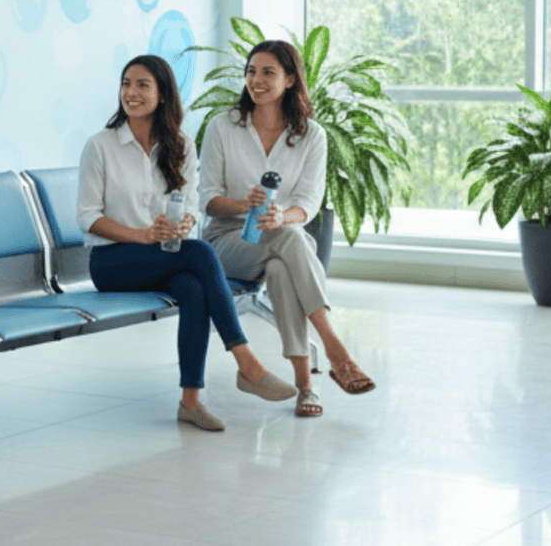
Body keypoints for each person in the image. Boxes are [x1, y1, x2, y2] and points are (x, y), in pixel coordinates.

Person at [79, 55, 298, 431]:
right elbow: (87, 217)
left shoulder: (179, 144)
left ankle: (190, 402)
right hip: (111, 262)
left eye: (142, 85)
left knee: (194, 287)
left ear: (163, 95)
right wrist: (143, 235)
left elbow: (193, 207)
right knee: (200, 252)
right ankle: (247, 362)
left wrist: (181, 226)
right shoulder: (101, 145)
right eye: (126, 83)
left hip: (163, 257)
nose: (131, 92)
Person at [200, 39, 376, 419]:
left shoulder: (312, 135)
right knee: (290, 240)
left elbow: (308, 204)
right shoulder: (222, 127)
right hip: (226, 242)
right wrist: (243, 206)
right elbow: (208, 199)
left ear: (291, 79)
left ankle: (305, 387)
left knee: (283, 261)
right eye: (251, 71)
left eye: (268, 72)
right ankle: (334, 349)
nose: (256, 80)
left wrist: (281, 217)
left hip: (279, 237)